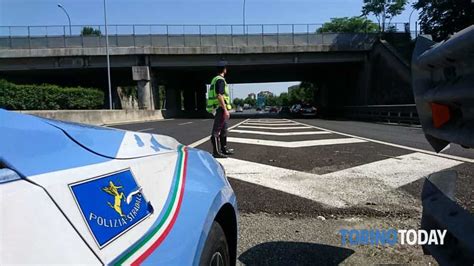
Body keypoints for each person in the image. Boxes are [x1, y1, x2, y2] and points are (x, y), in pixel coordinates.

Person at [207, 63, 234, 158]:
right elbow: (220, 95)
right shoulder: (220, 80)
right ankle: (216, 152)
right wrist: (225, 110)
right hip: (220, 108)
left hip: (218, 108)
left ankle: (224, 149)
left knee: (224, 129)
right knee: (216, 131)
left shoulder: (215, 79)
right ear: (224, 69)